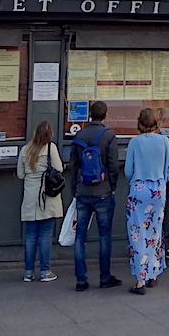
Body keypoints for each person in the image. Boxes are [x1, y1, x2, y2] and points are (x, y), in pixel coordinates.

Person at [66, 100, 122, 291]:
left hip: (82, 191)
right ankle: (105, 277)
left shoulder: (78, 135)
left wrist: (74, 189)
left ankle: (81, 280)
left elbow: (72, 166)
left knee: (80, 236)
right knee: (104, 236)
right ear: (105, 115)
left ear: (90, 114)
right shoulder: (108, 135)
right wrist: (112, 185)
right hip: (103, 192)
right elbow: (114, 165)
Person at [124, 108, 169, 294]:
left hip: (139, 187)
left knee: (137, 232)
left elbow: (128, 170)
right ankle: (153, 273)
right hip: (158, 188)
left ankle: (140, 280)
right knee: (155, 232)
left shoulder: (135, 142)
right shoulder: (164, 141)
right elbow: (168, 170)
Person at [17, 120, 63, 282]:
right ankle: (45, 271)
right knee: (45, 235)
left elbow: (20, 174)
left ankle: (28, 272)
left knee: (30, 236)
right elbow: (59, 169)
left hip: (30, 194)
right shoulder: (51, 148)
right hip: (47, 195)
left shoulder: (25, 149)